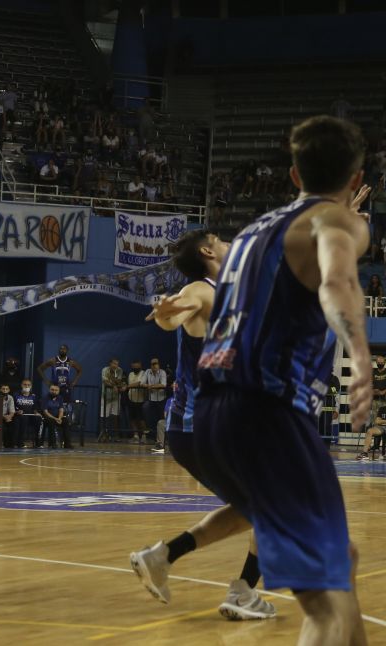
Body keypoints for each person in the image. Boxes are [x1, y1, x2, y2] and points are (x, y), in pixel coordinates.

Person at [193, 115, 373, 643]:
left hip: (211, 414)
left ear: (294, 175)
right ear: (357, 179)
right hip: (268, 413)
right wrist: (360, 353)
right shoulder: (337, 222)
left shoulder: (250, 232)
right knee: (323, 608)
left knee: (340, 563)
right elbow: (337, 282)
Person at [130, 229, 277, 620]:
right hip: (208, 428)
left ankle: (162, 557)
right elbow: (176, 313)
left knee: (252, 509)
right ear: (209, 252)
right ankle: (243, 592)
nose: (230, 244)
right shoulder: (201, 290)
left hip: (200, 431)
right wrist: (166, 313)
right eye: (222, 240)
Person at [356, 393, 386, 461]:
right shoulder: (382, 409)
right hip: (382, 428)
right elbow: (377, 421)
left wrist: (383, 422)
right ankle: (365, 453)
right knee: (369, 431)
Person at [100, 358, 125, 442]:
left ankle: (115, 435)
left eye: (117, 364)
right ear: (110, 363)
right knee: (104, 416)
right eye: (114, 363)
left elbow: (119, 381)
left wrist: (114, 382)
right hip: (106, 396)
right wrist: (114, 385)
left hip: (116, 397)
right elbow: (105, 381)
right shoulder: (105, 370)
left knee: (115, 416)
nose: (115, 366)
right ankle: (104, 434)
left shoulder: (119, 370)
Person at [41, 383, 71, 449]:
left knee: (65, 421)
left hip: (57, 417)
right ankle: (53, 444)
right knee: (51, 421)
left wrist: (59, 418)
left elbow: (61, 410)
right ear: (49, 390)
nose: (54, 391)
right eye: (52, 390)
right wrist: (56, 419)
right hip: (47, 417)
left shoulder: (60, 398)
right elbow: (45, 412)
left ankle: (67, 444)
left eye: (56, 390)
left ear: (59, 391)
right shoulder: (45, 398)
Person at [12, 379, 40, 448]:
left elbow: (35, 407)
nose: (26, 386)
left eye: (28, 385)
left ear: (31, 386)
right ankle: (16, 443)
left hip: (31, 416)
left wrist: (36, 412)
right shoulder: (15, 395)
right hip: (19, 415)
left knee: (39, 419)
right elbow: (13, 406)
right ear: (21, 385)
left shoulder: (34, 396)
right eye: (25, 384)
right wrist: (17, 411)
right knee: (21, 419)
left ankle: (38, 443)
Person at [0, 384, 16, 449]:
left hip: (7, 417)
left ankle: (10, 445)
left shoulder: (10, 397)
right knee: (4, 428)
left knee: (13, 426)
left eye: (6, 389)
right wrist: (4, 417)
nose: (5, 390)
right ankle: (2, 444)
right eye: (3, 389)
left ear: (9, 390)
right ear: (0, 389)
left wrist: (9, 417)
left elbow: (12, 410)